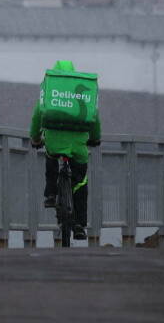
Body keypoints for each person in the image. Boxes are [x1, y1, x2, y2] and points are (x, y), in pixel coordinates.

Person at [29, 60, 101, 240]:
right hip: (78, 148)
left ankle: (51, 194)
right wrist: (94, 138)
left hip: (54, 142)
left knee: (51, 156)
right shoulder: (82, 95)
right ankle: (79, 224)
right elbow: (94, 119)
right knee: (81, 183)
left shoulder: (51, 95)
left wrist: (36, 138)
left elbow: (37, 116)